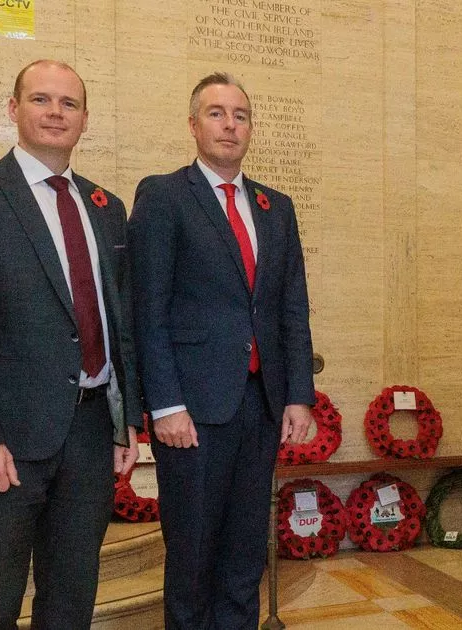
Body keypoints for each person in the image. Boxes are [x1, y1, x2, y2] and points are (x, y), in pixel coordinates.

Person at [0, 59, 141, 628]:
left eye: (69, 104)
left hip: (91, 438)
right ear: (13, 110)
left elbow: (118, 324)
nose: (55, 113)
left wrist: (124, 423)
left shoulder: (106, 208)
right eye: (41, 100)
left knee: (71, 600)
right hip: (4, 443)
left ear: (85, 119)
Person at [128, 72, 316, 629]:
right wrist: (164, 405)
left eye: (240, 115)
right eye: (216, 113)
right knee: (191, 555)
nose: (229, 124)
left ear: (252, 128)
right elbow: (148, 309)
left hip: (260, 406)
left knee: (243, 555)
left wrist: (298, 396)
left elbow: (291, 310)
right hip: (192, 411)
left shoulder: (274, 207)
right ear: (193, 124)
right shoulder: (164, 195)